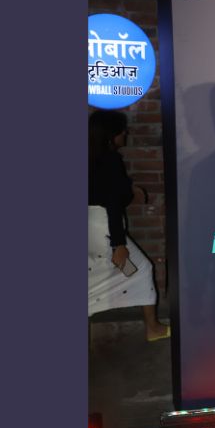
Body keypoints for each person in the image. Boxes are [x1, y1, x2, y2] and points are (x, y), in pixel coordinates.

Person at [88, 109, 169, 342]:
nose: (126, 133)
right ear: (111, 134)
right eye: (122, 130)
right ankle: (153, 328)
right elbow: (113, 204)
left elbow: (106, 192)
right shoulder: (111, 160)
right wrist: (119, 244)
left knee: (94, 272)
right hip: (105, 227)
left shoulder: (91, 158)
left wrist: (129, 190)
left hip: (90, 226)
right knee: (141, 269)